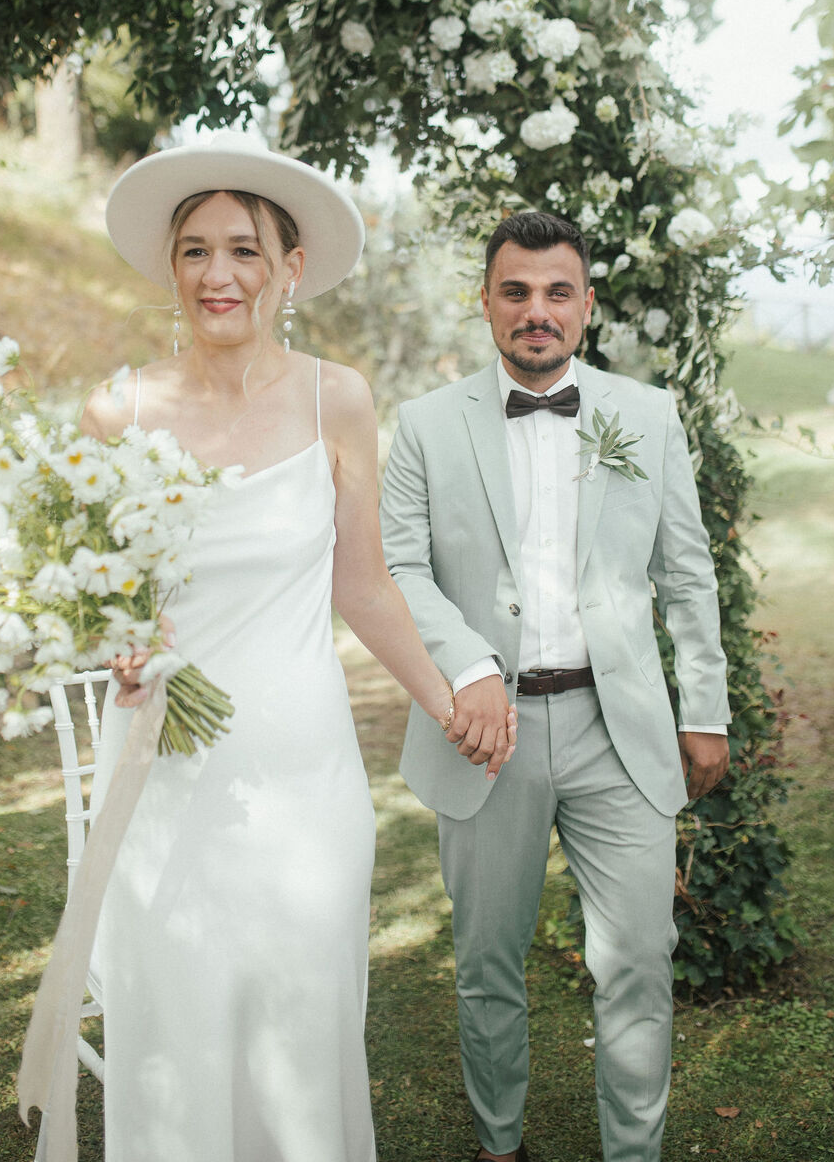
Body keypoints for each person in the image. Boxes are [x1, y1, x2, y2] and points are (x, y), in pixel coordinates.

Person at [80, 138, 517, 1162]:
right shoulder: (118, 410)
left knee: (299, 1019)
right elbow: (98, 596)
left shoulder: (340, 400)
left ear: (290, 269)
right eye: (194, 251)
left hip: (303, 771)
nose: (216, 274)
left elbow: (360, 583)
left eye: (242, 249)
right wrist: (119, 648)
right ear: (170, 269)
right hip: (167, 771)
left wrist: (452, 697)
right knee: (173, 1027)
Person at [379, 209, 731, 1162]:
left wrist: (703, 708)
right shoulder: (420, 425)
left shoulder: (646, 417)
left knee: (637, 962)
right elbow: (401, 570)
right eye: (516, 291)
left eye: (556, 292)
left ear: (585, 304)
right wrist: (469, 670)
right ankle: (500, 1144)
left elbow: (687, 573)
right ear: (487, 302)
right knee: (486, 963)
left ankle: (635, 1153)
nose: (536, 311)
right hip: (479, 733)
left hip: (615, 726)